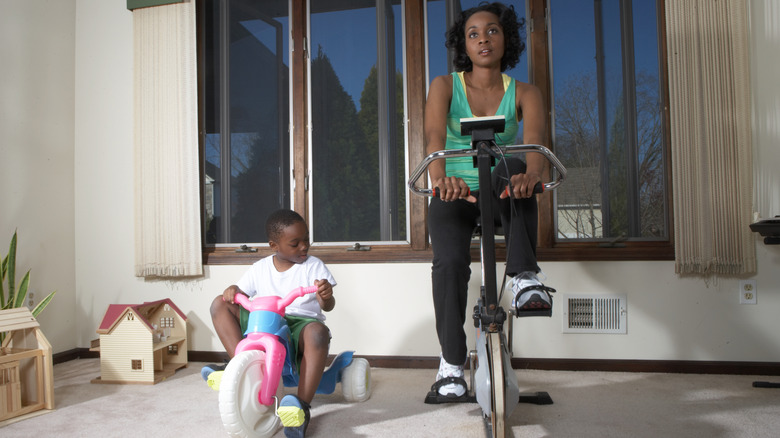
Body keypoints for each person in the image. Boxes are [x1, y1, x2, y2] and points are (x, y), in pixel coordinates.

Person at [424, 2, 556, 401]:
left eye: (493, 30)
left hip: (501, 191)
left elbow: (535, 148)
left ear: (507, 38)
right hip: (456, 194)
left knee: (512, 162)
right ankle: (450, 364)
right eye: (474, 33)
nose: (484, 38)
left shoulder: (526, 93)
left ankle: (522, 278)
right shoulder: (445, 86)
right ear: (464, 44)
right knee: (448, 266)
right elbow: (433, 140)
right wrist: (441, 180)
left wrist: (531, 175)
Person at [203, 209, 336, 438]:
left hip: (299, 324)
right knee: (219, 304)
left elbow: (328, 306)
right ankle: (240, 366)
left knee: (318, 332)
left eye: (306, 240)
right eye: (295, 243)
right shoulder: (260, 268)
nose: (304, 247)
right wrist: (233, 291)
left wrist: (325, 295)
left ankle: (300, 407)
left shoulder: (313, 266)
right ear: (274, 245)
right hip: (265, 320)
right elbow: (238, 293)